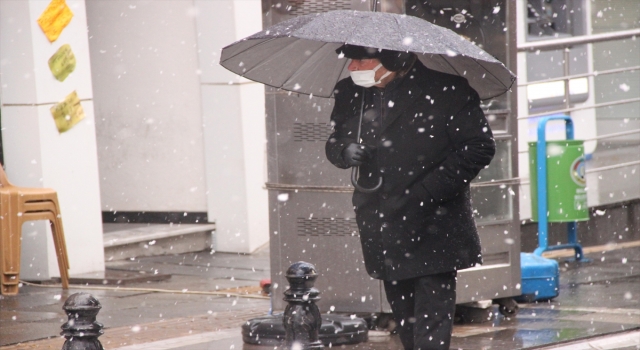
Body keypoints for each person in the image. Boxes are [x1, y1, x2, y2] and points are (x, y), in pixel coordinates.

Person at [325, 44, 496, 350]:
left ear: (394, 58)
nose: (353, 67)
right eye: (351, 60)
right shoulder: (351, 93)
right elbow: (336, 139)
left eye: (362, 59)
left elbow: (478, 146)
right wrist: (343, 150)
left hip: (433, 223)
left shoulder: (447, 90)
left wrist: (426, 192)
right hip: (381, 222)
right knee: (405, 318)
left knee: (432, 320)